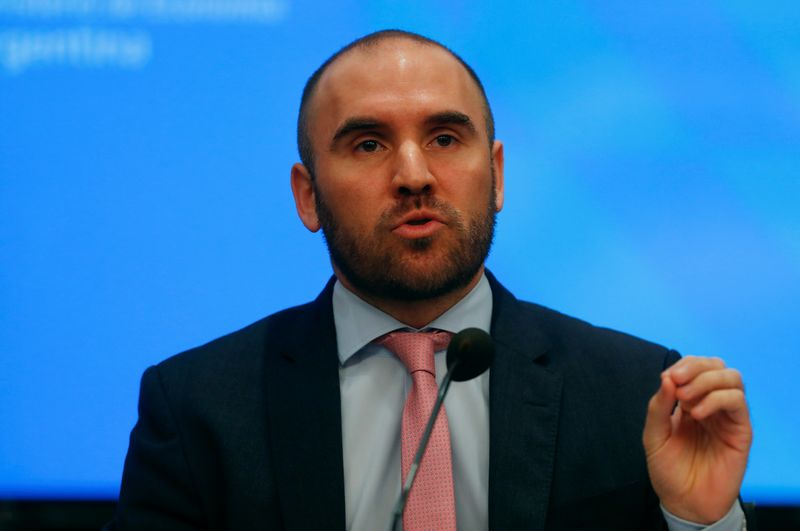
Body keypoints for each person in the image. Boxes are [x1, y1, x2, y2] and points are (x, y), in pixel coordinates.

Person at [107, 30, 753, 530]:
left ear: (496, 175)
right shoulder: (197, 409)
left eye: (445, 138)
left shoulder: (632, 395)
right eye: (367, 144)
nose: (414, 174)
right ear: (307, 196)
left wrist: (699, 522)